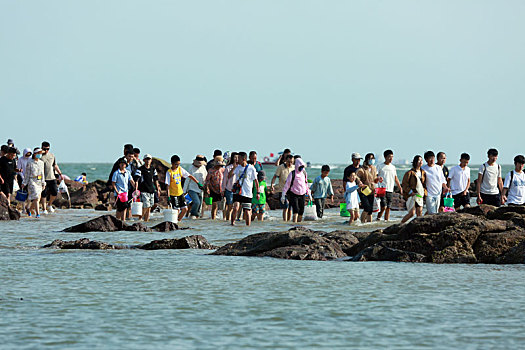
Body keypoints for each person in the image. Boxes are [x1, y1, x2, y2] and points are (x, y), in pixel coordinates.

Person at [166, 155, 203, 221]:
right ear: (172, 163)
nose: (177, 166)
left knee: (185, 209)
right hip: (173, 194)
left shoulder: (180, 169)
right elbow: (167, 186)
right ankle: (174, 222)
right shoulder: (169, 172)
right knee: (177, 210)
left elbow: (189, 176)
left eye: (179, 164)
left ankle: (178, 221)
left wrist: (197, 183)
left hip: (180, 193)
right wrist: (168, 196)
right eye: (176, 164)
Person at [230, 152, 259, 226]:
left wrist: (258, 192)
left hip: (247, 192)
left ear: (244, 159)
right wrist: (234, 167)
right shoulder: (238, 167)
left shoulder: (251, 168)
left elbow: (256, 181)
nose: (237, 160)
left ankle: (247, 226)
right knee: (235, 208)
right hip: (238, 192)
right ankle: (232, 225)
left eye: (238, 158)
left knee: (247, 211)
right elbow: (229, 176)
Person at [281, 158, 310, 223]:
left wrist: (308, 193)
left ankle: (299, 225)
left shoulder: (304, 173)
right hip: (294, 194)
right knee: (296, 210)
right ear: (297, 165)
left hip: (302, 194)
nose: (302, 168)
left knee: (301, 211)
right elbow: (287, 185)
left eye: (303, 166)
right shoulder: (292, 174)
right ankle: (294, 225)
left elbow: (306, 183)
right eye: (300, 166)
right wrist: (283, 195)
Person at [376, 150, 402, 221]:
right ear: (385, 157)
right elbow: (375, 176)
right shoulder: (380, 166)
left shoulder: (393, 167)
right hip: (382, 189)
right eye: (389, 157)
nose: (391, 159)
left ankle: (386, 221)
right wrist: (378, 178)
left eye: (392, 157)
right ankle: (378, 218)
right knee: (383, 206)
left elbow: (395, 178)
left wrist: (400, 187)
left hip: (390, 189)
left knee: (388, 207)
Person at [134, 154, 160, 222]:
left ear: (151, 160)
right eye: (146, 159)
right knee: (146, 206)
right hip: (143, 190)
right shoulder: (140, 169)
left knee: (149, 207)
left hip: (151, 190)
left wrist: (158, 189)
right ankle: (140, 219)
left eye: (149, 159)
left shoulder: (153, 169)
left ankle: (146, 220)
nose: (148, 161)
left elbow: (156, 179)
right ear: (144, 160)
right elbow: (136, 180)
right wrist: (136, 190)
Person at [401, 155, 427, 223]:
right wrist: (410, 191)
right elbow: (404, 184)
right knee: (411, 213)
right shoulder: (410, 173)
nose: (421, 162)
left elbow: (424, 184)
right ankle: (400, 224)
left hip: (420, 195)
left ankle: (418, 227)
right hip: (412, 195)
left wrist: (425, 193)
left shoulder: (423, 172)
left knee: (419, 214)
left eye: (421, 160)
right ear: (415, 162)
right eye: (419, 160)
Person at [40, 141, 63, 214]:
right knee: (43, 194)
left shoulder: (52, 156)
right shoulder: (39, 156)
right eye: (45, 149)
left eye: (48, 149)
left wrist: (60, 173)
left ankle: (49, 205)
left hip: (52, 177)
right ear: (42, 148)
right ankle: (44, 209)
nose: (46, 150)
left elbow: (55, 165)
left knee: (55, 192)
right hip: (43, 178)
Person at [356, 153, 380, 223]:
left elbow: (375, 179)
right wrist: (359, 182)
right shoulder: (362, 169)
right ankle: (362, 222)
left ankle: (369, 223)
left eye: (373, 159)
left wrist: (378, 179)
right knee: (366, 207)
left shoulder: (374, 168)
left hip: (371, 190)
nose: (372, 160)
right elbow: (357, 177)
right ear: (366, 160)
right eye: (370, 159)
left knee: (370, 210)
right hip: (363, 190)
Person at [22, 148, 45, 218]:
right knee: (36, 196)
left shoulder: (41, 163)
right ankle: (38, 213)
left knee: (37, 198)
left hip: (39, 181)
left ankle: (29, 209)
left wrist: (43, 183)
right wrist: (24, 183)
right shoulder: (30, 162)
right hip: (32, 181)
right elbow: (27, 174)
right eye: (38, 153)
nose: (40, 155)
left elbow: (42, 173)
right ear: (35, 154)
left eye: (41, 153)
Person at [270, 154, 294, 221]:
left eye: (292, 162)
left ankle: (288, 222)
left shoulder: (293, 168)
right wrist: (272, 185)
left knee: (290, 208)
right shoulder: (281, 167)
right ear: (285, 160)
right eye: (289, 162)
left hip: (291, 190)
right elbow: (275, 177)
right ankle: (285, 221)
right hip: (282, 190)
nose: (290, 163)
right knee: (285, 206)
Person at [205, 155, 225, 220]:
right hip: (213, 189)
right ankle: (213, 219)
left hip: (221, 190)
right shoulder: (211, 170)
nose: (219, 166)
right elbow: (207, 180)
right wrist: (207, 189)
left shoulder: (223, 170)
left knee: (223, 206)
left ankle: (224, 219)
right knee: (214, 206)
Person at [222, 152, 238, 221]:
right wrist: (223, 190)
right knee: (230, 207)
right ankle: (228, 220)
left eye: (238, 157)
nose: (236, 159)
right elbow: (225, 179)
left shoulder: (241, 168)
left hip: (238, 189)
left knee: (236, 206)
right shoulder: (228, 168)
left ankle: (235, 219)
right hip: (229, 189)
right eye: (235, 157)